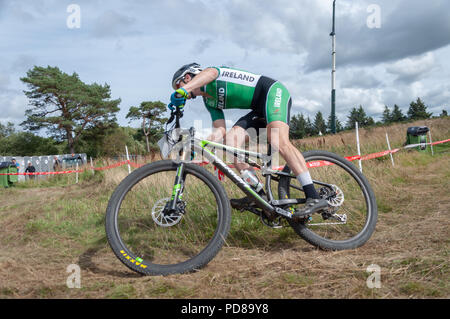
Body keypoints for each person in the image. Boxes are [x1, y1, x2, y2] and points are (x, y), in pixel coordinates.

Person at [169, 63, 328, 218]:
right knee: (230, 144)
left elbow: (211, 73)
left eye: (178, 86)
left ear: (187, 77)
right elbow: (220, 130)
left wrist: (183, 90)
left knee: (278, 140)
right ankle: (259, 197)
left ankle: (313, 195)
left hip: (272, 93)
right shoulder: (209, 102)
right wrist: (201, 145)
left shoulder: (210, 75)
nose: (179, 92)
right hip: (259, 108)